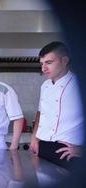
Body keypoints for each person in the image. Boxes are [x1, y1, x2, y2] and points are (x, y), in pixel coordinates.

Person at [30, 41, 84, 169]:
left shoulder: (79, 84)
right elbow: (40, 113)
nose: (43, 69)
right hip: (42, 147)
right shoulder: (45, 86)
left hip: (67, 151)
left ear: (64, 60)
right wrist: (34, 137)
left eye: (48, 63)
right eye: (42, 64)